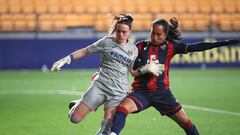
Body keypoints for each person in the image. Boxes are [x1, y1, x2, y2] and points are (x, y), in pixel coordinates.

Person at [110, 17, 240, 135]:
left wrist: (224, 43)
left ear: (165, 35)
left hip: (163, 94)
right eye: (152, 33)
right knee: (122, 108)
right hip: (141, 92)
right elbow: (129, 66)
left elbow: (197, 47)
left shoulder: (171, 47)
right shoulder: (140, 46)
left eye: (159, 34)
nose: (154, 37)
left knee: (185, 122)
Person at [51, 13, 164, 135]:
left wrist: (145, 70)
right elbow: (85, 51)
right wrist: (66, 59)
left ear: (129, 32)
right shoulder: (106, 42)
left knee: (106, 130)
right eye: (118, 31)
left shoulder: (133, 50)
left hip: (118, 92)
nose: (121, 34)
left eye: (124, 32)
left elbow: (132, 72)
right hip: (100, 86)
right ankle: (78, 103)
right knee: (75, 119)